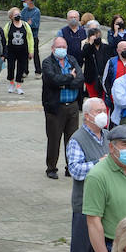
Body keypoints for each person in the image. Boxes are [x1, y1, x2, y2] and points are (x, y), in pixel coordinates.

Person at [66, 97, 110, 252]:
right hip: (84, 201)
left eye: (104, 110)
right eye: (98, 111)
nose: (103, 114)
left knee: (99, 241)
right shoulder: (77, 138)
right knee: (82, 243)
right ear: (87, 116)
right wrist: (99, 163)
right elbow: (75, 170)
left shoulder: (108, 136)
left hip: (104, 201)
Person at [41, 35, 84, 179]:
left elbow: (80, 79)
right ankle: (51, 168)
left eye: (63, 47)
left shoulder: (72, 60)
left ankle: (70, 167)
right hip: (55, 107)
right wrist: (70, 77)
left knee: (72, 140)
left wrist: (65, 82)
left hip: (72, 107)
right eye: (58, 47)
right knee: (54, 139)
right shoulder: (47, 62)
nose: (61, 49)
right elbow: (53, 80)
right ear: (53, 48)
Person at [3, 6, 33, 94]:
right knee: (11, 67)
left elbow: (30, 38)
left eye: (19, 14)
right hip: (11, 50)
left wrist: (31, 51)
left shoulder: (25, 25)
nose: (18, 15)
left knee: (21, 68)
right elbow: (4, 39)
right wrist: (4, 52)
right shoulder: (8, 26)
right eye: (15, 14)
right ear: (11, 17)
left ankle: (19, 86)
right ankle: (11, 83)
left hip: (23, 51)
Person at [80, 21, 110, 99]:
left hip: (103, 77)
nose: (97, 37)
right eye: (94, 36)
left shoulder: (106, 47)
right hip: (91, 78)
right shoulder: (87, 47)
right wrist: (90, 43)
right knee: (93, 99)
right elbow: (83, 55)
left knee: (104, 99)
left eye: (98, 36)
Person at [102, 39, 126, 110]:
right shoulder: (111, 62)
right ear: (118, 50)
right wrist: (111, 94)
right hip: (115, 99)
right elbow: (105, 81)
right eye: (124, 49)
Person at [20, 0, 42, 75]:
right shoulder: (24, 10)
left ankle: (38, 71)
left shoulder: (36, 11)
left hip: (33, 36)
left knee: (35, 54)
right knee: (24, 54)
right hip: (25, 36)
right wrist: (27, 23)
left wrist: (26, 23)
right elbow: (21, 22)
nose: (24, 3)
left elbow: (34, 25)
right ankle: (25, 71)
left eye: (25, 1)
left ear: (30, 2)